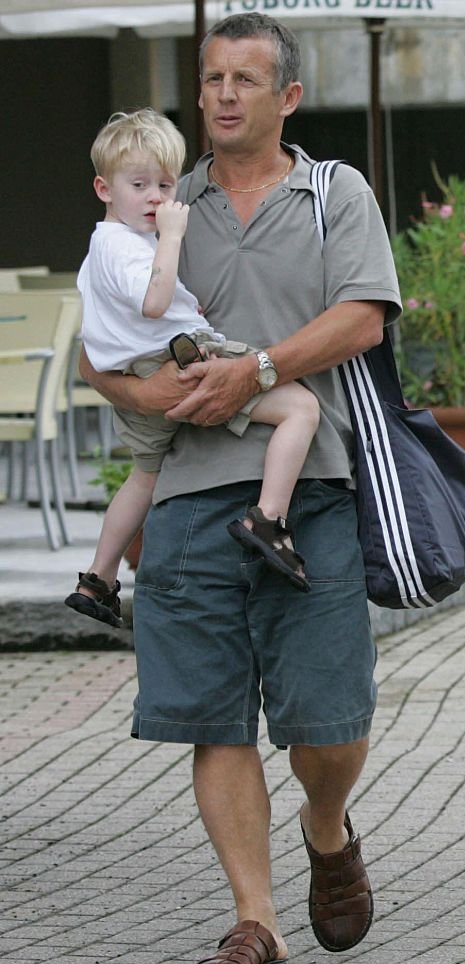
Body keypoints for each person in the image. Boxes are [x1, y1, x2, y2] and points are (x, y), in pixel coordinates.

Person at [79, 13, 400, 964]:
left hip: (312, 485)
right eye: (211, 78)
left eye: (244, 80)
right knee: (214, 717)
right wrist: (152, 393)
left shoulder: (332, 192)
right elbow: (100, 348)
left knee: (328, 723)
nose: (222, 94)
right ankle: (256, 923)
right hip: (185, 496)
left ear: (286, 98)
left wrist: (256, 368)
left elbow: (363, 318)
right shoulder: (159, 202)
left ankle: (328, 824)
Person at [66, 109, 320, 630]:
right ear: (103, 189)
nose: (156, 197)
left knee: (145, 475)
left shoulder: (100, 249)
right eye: (138, 185)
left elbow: (110, 321)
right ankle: (269, 519)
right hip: (178, 361)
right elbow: (155, 302)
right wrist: (173, 236)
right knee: (301, 408)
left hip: (140, 380)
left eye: (164, 184)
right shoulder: (127, 245)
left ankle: (98, 576)